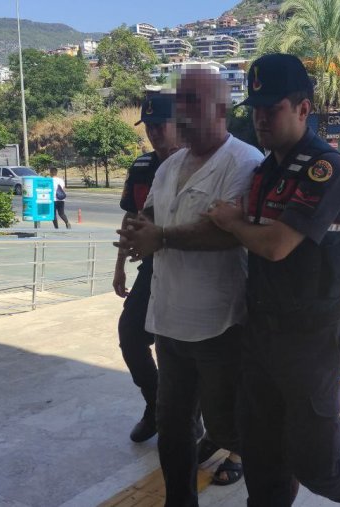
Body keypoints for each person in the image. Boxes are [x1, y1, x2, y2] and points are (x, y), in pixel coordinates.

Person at [205, 53, 340, 507]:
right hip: (260, 333)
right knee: (261, 457)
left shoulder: (326, 168)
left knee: (315, 463)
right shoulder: (264, 172)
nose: (261, 119)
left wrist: (232, 222)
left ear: (304, 108)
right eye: (256, 109)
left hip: (311, 339)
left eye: (273, 108)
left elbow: (276, 245)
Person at [118, 67, 263, 506]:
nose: (182, 111)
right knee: (174, 425)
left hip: (219, 326)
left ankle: (268, 482)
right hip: (169, 321)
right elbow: (149, 214)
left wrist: (160, 237)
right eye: (180, 101)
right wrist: (136, 233)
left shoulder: (244, 161)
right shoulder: (168, 167)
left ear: (221, 109)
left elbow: (227, 233)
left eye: (193, 102)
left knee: (228, 427)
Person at [113, 94, 178, 443]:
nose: (154, 133)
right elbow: (130, 218)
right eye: (149, 127)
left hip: (189, 267)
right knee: (130, 335)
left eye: (160, 125)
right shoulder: (141, 167)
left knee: (181, 349)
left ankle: (188, 417)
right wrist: (119, 267)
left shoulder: (196, 165)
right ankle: (156, 407)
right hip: (151, 268)